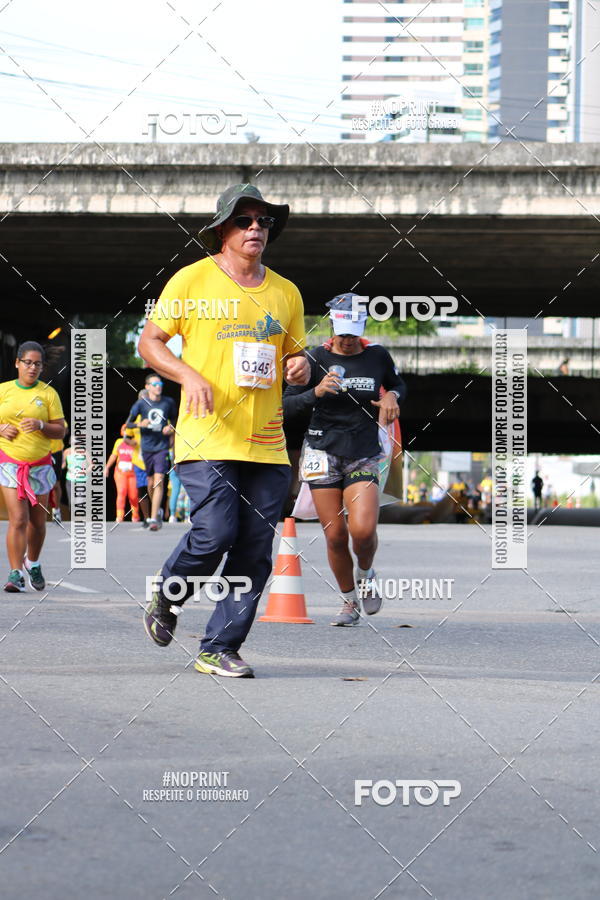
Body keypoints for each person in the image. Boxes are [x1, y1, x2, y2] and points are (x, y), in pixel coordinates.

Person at [138, 182, 309, 677]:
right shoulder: (191, 282)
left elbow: (293, 355)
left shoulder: (286, 292)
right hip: (207, 434)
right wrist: (187, 374)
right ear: (222, 231)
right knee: (215, 533)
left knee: (255, 549)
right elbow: (151, 343)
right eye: (245, 220)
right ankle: (169, 594)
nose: (256, 228)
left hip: (268, 442)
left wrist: (298, 367)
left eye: (263, 222)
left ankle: (219, 647)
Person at [283, 293, 406, 626]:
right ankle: (348, 600)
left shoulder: (377, 356)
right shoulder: (311, 358)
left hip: (363, 452)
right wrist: (316, 393)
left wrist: (392, 395)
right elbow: (285, 406)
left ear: (363, 327)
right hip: (322, 452)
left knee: (362, 531)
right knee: (335, 535)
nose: (349, 340)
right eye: (343, 333)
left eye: (355, 333)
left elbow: (397, 384)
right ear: (333, 327)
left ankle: (366, 574)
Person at [0, 341, 65, 591]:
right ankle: (15, 573)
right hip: (10, 464)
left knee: (38, 523)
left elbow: (60, 430)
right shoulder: (4, 391)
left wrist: (41, 426)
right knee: (18, 519)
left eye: (37, 363)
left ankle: (33, 562)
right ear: (17, 363)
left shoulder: (47, 393)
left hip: (40, 466)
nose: (33, 367)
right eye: (28, 362)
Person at [126, 374, 177, 531]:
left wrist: (171, 428)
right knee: (150, 483)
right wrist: (140, 424)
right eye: (154, 384)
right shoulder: (141, 404)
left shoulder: (168, 402)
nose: (158, 386)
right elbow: (128, 422)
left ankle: (154, 518)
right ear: (147, 387)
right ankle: (155, 514)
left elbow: (176, 420)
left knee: (159, 480)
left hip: (161, 447)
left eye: (160, 383)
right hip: (146, 447)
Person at [104, 427, 140, 522]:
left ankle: (135, 515)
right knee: (121, 492)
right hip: (120, 473)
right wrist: (107, 467)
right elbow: (114, 455)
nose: (126, 432)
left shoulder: (136, 442)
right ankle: (119, 516)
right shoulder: (119, 442)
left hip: (133, 473)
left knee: (133, 495)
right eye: (124, 430)